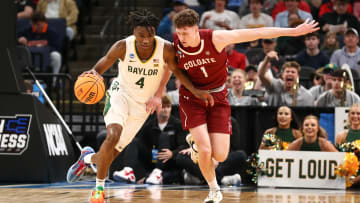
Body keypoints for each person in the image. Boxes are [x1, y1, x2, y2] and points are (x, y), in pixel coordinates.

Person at [171, 8, 318, 203]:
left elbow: (257, 33)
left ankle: (197, 145)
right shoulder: (175, 43)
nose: (181, 37)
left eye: (185, 33)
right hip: (192, 98)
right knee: (205, 150)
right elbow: (167, 66)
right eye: (179, 33)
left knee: (221, 155)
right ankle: (214, 189)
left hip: (218, 98)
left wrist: (292, 31)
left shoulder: (216, 38)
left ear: (197, 29)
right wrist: (156, 95)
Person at [65, 10, 209, 203]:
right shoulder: (122, 46)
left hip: (142, 106)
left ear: (155, 33)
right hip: (120, 95)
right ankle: (99, 189)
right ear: (134, 32)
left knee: (110, 155)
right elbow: (103, 64)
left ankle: (88, 158)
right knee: (113, 135)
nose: (145, 40)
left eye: (149, 35)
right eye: (141, 35)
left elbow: (175, 71)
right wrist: (92, 74)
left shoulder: (165, 48)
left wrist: (185, 92)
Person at [112, 95, 188, 185]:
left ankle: (157, 173)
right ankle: (128, 171)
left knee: (164, 136)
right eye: (163, 107)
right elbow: (142, 145)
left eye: (168, 107)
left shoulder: (177, 124)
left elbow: (184, 146)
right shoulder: (149, 125)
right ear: (156, 108)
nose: (166, 110)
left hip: (170, 161)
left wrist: (172, 153)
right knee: (134, 141)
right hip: (153, 159)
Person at [335, 103, 360, 184]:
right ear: (349, 115)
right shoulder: (341, 136)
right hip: (345, 179)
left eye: (358, 113)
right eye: (352, 113)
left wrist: (358, 178)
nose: (355, 116)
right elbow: (337, 158)